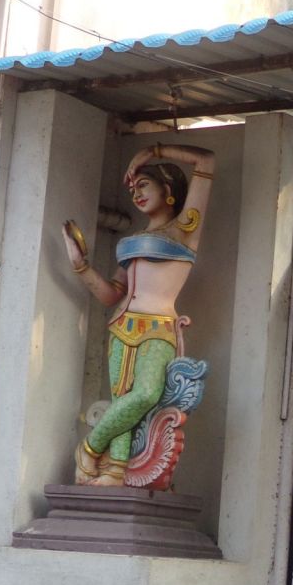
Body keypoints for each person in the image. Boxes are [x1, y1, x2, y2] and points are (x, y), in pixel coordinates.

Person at [61, 142, 214, 486]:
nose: (137, 194)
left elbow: (206, 160)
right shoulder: (134, 240)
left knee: (145, 394)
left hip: (159, 327)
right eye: (133, 189)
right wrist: (81, 266)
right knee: (123, 400)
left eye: (144, 185)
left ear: (169, 190)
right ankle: (115, 470)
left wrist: (151, 152)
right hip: (121, 325)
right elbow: (111, 294)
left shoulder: (185, 229)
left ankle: (89, 447)